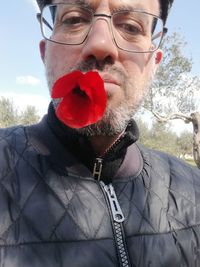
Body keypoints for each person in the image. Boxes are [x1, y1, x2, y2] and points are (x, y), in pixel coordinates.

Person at [1, 0, 200, 266]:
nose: (101, 44)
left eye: (131, 26)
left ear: (154, 63)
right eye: (73, 19)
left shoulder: (194, 190)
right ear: (44, 52)